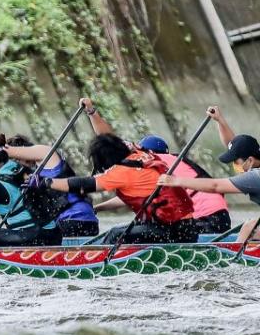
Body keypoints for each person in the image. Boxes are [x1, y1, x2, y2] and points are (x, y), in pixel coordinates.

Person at [26, 98, 197, 244]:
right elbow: (107, 138)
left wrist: (47, 182)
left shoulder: (120, 172)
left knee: (115, 233)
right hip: (186, 227)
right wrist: (91, 112)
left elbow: (84, 184)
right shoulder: (138, 152)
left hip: (175, 232)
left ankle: (94, 263)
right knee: (122, 230)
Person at [91, 132, 231, 235]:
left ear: (148, 152)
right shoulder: (175, 161)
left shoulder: (155, 162)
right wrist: (98, 208)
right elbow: (137, 196)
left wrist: (97, 208)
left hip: (204, 221)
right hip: (221, 219)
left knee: (121, 232)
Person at [158, 106, 260, 243]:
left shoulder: (255, 177)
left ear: (250, 160)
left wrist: (177, 181)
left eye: (235, 161)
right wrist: (220, 121)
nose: (234, 164)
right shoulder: (253, 160)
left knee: (249, 227)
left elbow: (215, 186)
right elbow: (233, 144)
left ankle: (233, 262)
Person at [4, 135, 99, 237]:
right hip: (86, 223)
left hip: (72, 221)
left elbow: (5, 151)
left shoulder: (47, 156)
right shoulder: (30, 177)